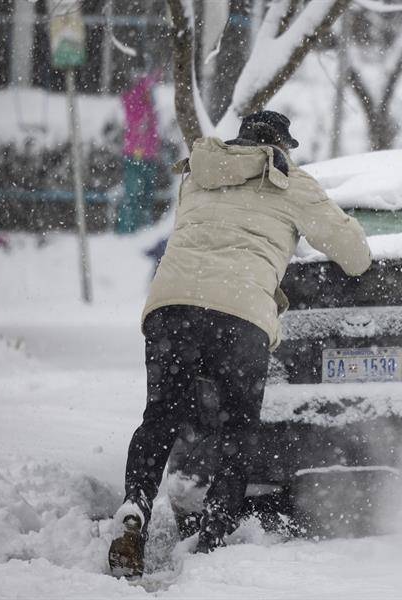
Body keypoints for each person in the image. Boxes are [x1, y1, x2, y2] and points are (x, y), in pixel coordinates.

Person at [108, 110, 372, 577]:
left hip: (171, 310)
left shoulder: (198, 175)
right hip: (240, 317)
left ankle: (135, 508)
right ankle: (213, 531)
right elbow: (354, 257)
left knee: (161, 417)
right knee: (236, 428)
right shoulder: (293, 184)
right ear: (281, 148)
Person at [116, 70, 161, 234]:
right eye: (149, 89)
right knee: (133, 195)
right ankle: (128, 230)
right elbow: (137, 127)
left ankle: (142, 229)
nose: (152, 93)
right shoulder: (134, 101)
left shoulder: (149, 105)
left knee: (146, 196)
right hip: (135, 155)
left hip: (149, 156)